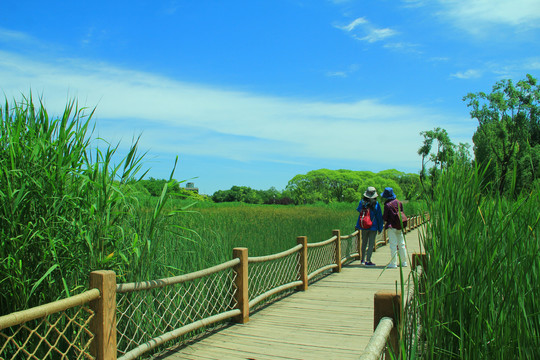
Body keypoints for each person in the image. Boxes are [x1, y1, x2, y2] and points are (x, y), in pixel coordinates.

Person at [355, 186, 383, 266]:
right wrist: (380, 228)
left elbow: (360, 213)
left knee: (364, 243)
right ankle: (368, 260)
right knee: (371, 244)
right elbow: (379, 217)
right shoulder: (376, 204)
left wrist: (358, 225)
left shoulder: (362, 202)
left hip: (364, 226)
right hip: (373, 227)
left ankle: (362, 260)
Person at [381, 187, 408, 268]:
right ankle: (404, 262)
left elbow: (385, 217)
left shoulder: (387, 205)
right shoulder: (399, 203)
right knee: (401, 244)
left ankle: (393, 263)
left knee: (393, 244)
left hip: (391, 227)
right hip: (399, 226)